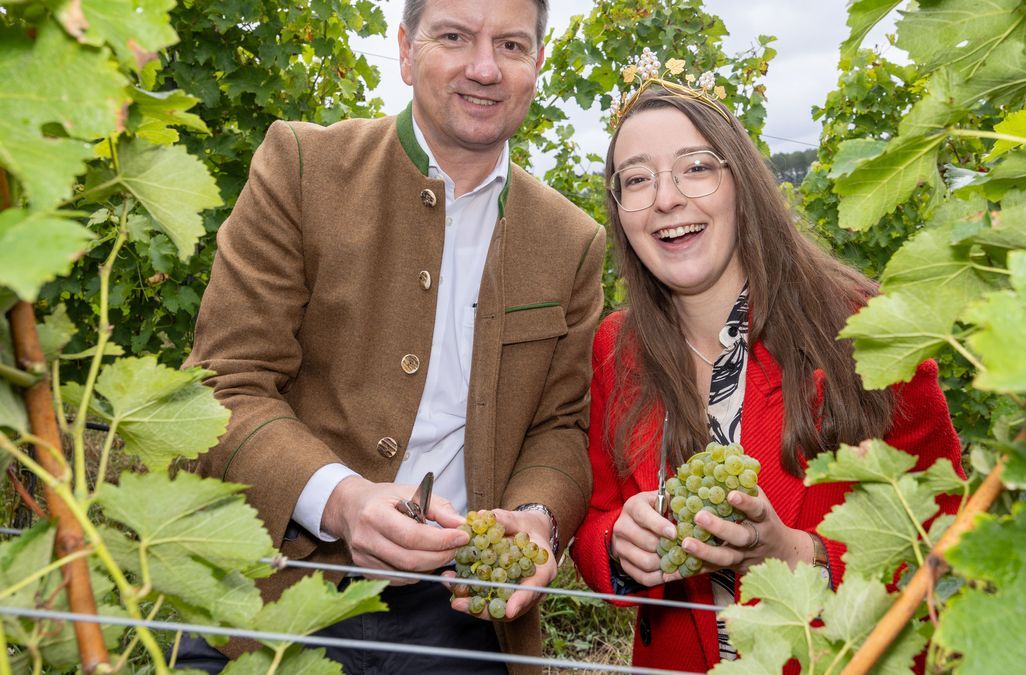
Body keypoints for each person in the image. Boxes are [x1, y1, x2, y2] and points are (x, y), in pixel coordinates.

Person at [181, 0, 605, 672]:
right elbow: (221, 387)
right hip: (268, 587)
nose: (485, 68)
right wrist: (342, 501)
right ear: (406, 50)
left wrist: (536, 515)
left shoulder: (571, 240)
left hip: (461, 610)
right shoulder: (301, 167)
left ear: (537, 64)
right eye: (456, 37)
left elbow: (562, 426)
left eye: (513, 45)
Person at [570, 82, 963, 673]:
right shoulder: (616, 349)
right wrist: (618, 550)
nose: (667, 199)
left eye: (696, 168)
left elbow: (945, 540)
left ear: (743, 184)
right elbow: (597, 515)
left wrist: (793, 555)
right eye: (637, 179)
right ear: (620, 210)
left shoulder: (864, 329)